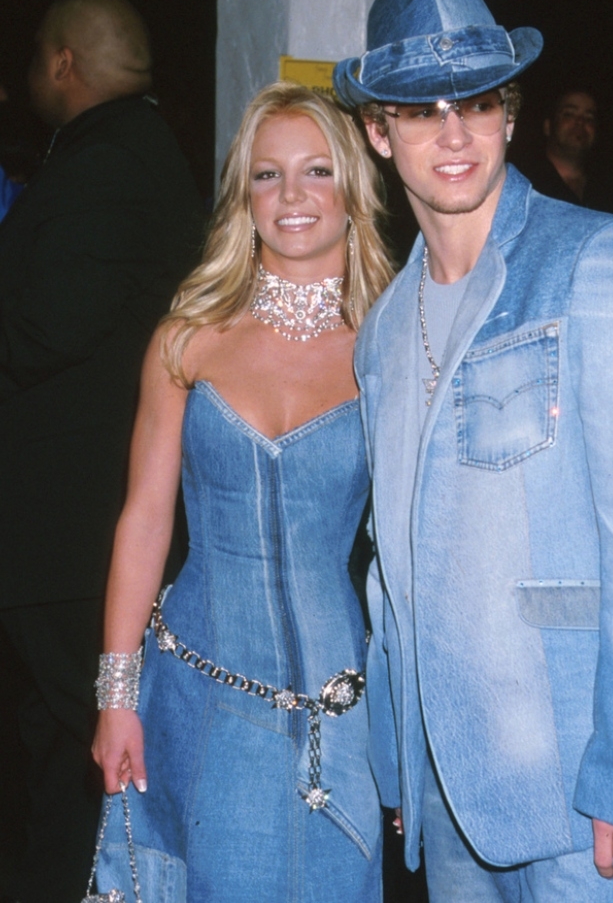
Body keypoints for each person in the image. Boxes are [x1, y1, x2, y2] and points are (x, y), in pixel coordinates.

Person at [334, 0, 613, 903]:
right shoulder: (385, 330)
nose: (455, 132)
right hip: (445, 790)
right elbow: (390, 564)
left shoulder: (601, 260)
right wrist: (400, 759)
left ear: (511, 116)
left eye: (477, 100)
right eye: (421, 108)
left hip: (582, 786)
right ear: (377, 132)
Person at [91, 81, 394, 903]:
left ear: (354, 188)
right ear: (243, 196)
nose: (291, 195)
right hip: (201, 690)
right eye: (267, 175)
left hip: (345, 706)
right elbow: (145, 520)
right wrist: (117, 696)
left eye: (317, 171)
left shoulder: (394, 344)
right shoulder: (187, 337)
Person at [0, 0, 202, 903]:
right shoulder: (119, 152)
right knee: (61, 750)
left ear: (62, 62)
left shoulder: (111, 159)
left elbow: (46, 326)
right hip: (71, 532)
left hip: (72, 535)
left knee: (86, 754)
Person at [528, 87, 613, 216]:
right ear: (548, 127)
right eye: (569, 114)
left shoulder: (612, 188)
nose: (580, 122)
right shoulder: (525, 184)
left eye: (589, 118)